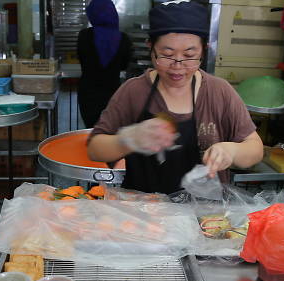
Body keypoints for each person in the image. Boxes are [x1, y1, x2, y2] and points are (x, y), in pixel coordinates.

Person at [87, 0, 264, 194]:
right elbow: (95, 149)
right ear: (151, 48)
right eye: (167, 54)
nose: (178, 65)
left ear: (203, 50)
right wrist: (128, 139)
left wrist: (233, 151)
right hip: (144, 214)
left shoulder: (219, 91)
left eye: (189, 55)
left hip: (205, 218)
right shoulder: (134, 91)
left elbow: (255, 148)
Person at [77, 0, 132, 128]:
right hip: (113, 93)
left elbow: (82, 61)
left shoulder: (84, 36)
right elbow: (124, 65)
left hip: (88, 94)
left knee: (91, 130)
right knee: (110, 130)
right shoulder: (124, 39)